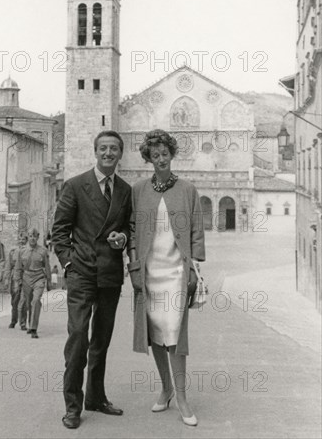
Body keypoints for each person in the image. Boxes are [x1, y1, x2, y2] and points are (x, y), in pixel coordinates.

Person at [51, 130, 132, 430]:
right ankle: (73, 405)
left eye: (114, 149)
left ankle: (96, 397)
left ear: (120, 154)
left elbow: (129, 228)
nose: (108, 153)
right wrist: (69, 263)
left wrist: (122, 238)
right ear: (95, 152)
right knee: (78, 339)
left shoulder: (125, 190)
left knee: (101, 341)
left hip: (110, 274)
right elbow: (59, 231)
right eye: (103, 148)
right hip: (82, 274)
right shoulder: (75, 186)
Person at [127, 130, 205, 427]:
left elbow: (197, 229)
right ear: (148, 158)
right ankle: (166, 388)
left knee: (174, 336)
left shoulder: (187, 189)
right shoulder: (138, 190)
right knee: (156, 334)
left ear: (172, 154)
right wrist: (134, 268)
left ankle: (183, 398)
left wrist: (195, 269)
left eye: (165, 154)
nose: (160, 159)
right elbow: (133, 231)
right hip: (149, 272)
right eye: (154, 155)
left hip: (176, 273)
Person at [14, 228, 51, 339]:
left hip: (39, 277)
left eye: (35, 236)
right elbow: (18, 268)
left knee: (36, 301)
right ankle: (28, 324)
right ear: (28, 237)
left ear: (38, 237)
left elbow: (47, 267)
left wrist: (49, 281)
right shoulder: (22, 251)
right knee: (28, 302)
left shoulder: (43, 251)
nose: (32, 238)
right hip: (26, 278)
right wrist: (17, 281)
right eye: (30, 236)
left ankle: (33, 328)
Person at [4, 231, 28, 329]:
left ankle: (23, 323)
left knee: (24, 300)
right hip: (15, 277)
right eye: (20, 239)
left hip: (26, 276)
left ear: (27, 241)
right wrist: (6, 278)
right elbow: (8, 266)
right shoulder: (13, 251)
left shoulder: (29, 251)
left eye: (23, 240)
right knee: (15, 300)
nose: (21, 241)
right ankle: (13, 320)